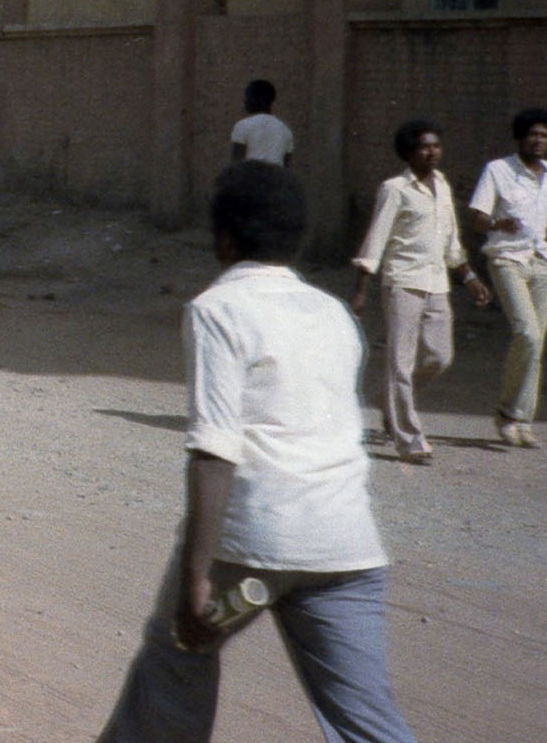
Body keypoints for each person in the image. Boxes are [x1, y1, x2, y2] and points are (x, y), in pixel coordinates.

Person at [98, 161, 419, 743]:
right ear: (294, 239)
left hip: (252, 544)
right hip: (345, 545)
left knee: (176, 664)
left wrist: (197, 579)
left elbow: (216, 448)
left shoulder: (217, 310)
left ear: (223, 239)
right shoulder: (334, 315)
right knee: (367, 724)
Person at [350, 121, 491, 463]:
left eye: (436, 147)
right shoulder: (395, 189)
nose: (432, 153)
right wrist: (361, 289)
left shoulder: (442, 185)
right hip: (402, 282)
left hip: (437, 283)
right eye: (424, 148)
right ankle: (409, 439)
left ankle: (391, 403)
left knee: (438, 357)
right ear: (408, 153)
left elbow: (451, 240)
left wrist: (469, 276)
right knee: (400, 362)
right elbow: (376, 238)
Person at [468, 107, 547, 448]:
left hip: (542, 261)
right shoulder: (498, 170)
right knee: (528, 333)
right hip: (507, 259)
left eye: (545, 136)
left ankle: (522, 421)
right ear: (520, 136)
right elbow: (477, 216)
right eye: (533, 134)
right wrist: (497, 224)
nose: (538, 141)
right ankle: (507, 413)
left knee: (537, 343)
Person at [229, 79, 292, 166]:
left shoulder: (243, 125)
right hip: (275, 179)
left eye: (248, 97)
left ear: (258, 99)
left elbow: (236, 164)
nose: (245, 101)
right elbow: (285, 168)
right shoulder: (286, 131)